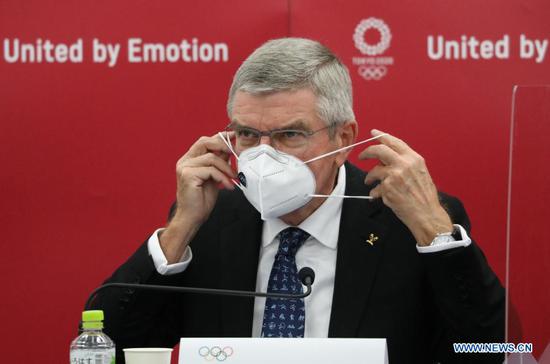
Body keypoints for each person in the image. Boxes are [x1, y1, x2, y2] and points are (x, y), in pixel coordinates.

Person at [92, 38, 505, 363]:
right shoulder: (211, 220)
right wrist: (179, 229)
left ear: (343, 139)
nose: (264, 154)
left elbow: (488, 351)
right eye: (248, 135)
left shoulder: (409, 221)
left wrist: (436, 234)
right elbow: (103, 346)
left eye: (290, 135)